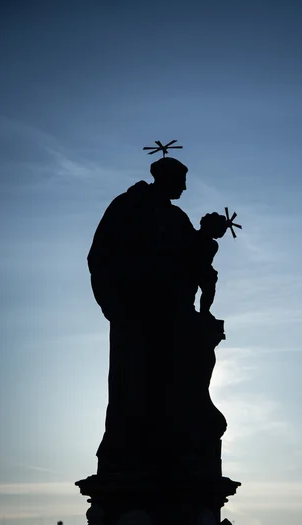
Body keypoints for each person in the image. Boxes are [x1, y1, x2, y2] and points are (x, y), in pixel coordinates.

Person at [88, 158, 226, 475]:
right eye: (182, 179)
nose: (186, 187)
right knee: (135, 381)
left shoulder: (176, 218)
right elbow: (103, 254)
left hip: (174, 313)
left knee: (179, 377)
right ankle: (129, 447)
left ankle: (177, 439)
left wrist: (206, 238)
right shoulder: (129, 206)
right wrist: (118, 301)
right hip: (137, 311)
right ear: (165, 177)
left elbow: (192, 257)